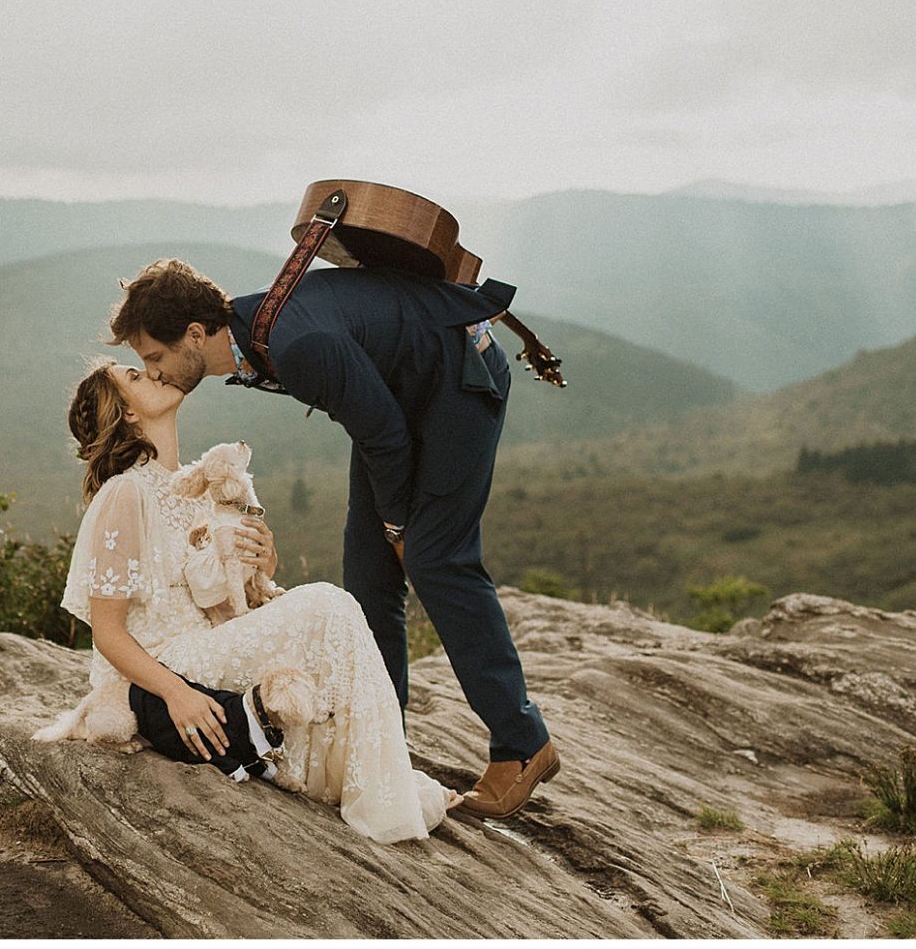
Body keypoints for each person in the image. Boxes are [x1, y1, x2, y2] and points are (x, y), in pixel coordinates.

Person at [108, 258, 558, 819]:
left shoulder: (297, 344)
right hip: (399, 398)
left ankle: (522, 744)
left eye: (155, 357)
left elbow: (388, 437)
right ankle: (378, 748)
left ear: (195, 335)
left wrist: (398, 524)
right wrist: (388, 527)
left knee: (436, 559)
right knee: (368, 574)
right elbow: (379, 426)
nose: (153, 373)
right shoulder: (256, 333)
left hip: (455, 381)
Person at [52, 358, 458, 842]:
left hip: (213, 645)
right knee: (331, 605)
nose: (153, 371)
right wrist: (177, 694)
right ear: (128, 415)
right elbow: (108, 634)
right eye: (135, 377)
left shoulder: (198, 486)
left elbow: (224, 590)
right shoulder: (125, 493)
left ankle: (376, 778)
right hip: (166, 664)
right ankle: (384, 796)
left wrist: (264, 564)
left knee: (327, 627)